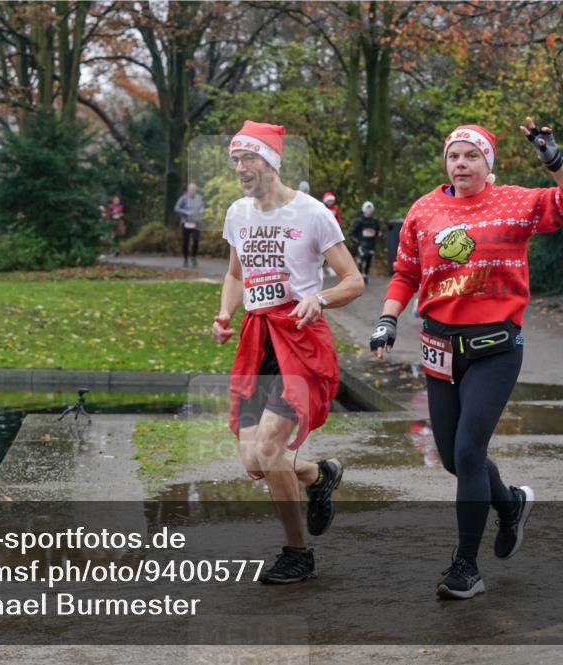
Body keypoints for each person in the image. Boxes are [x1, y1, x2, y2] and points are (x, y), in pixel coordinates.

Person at [369, 120, 563, 599]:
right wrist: (387, 320)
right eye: (454, 156)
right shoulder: (424, 209)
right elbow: (406, 272)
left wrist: (554, 160)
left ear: (489, 164)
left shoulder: (515, 201)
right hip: (440, 349)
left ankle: (466, 567)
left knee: (469, 451)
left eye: (472, 155)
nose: (461, 163)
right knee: (453, 459)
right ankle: (509, 505)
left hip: (495, 349)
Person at [212, 120, 364, 584]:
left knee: (271, 447)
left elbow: (354, 281)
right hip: (257, 339)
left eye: (249, 157)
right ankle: (320, 475)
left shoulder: (313, 214)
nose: (241, 167)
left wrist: (319, 298)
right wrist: (224, 314)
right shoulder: (238, 213)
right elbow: (237, 275)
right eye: (236, 159)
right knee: (255, 460)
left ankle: (297, 553)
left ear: (271, 161)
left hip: (298, 340)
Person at [174, 182, 204, 267]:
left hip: (196, 222)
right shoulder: (183, 198)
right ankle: (185, 259)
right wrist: (186, 212)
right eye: (191, 189)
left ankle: (193, 258)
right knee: (186, 241)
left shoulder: (199, 198)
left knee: (196, 241)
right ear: (188, 190)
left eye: (194, 189)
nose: (192, 191)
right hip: (186, 222)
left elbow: (202, 206)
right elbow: (176, 208)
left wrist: (201, 210)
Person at [350, 201, 381, 283]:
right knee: (362, 258)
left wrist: (379, 234)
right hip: (362, 244)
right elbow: (351, 233)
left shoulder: (374, 221)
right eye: (367, 209)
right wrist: (357, 242)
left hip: (371, 244)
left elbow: (378, 230)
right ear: (364, 209)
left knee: (369, 259)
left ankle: (365, 275)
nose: (369, 210)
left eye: (370, 209)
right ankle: (359, 275)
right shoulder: (359, 220)